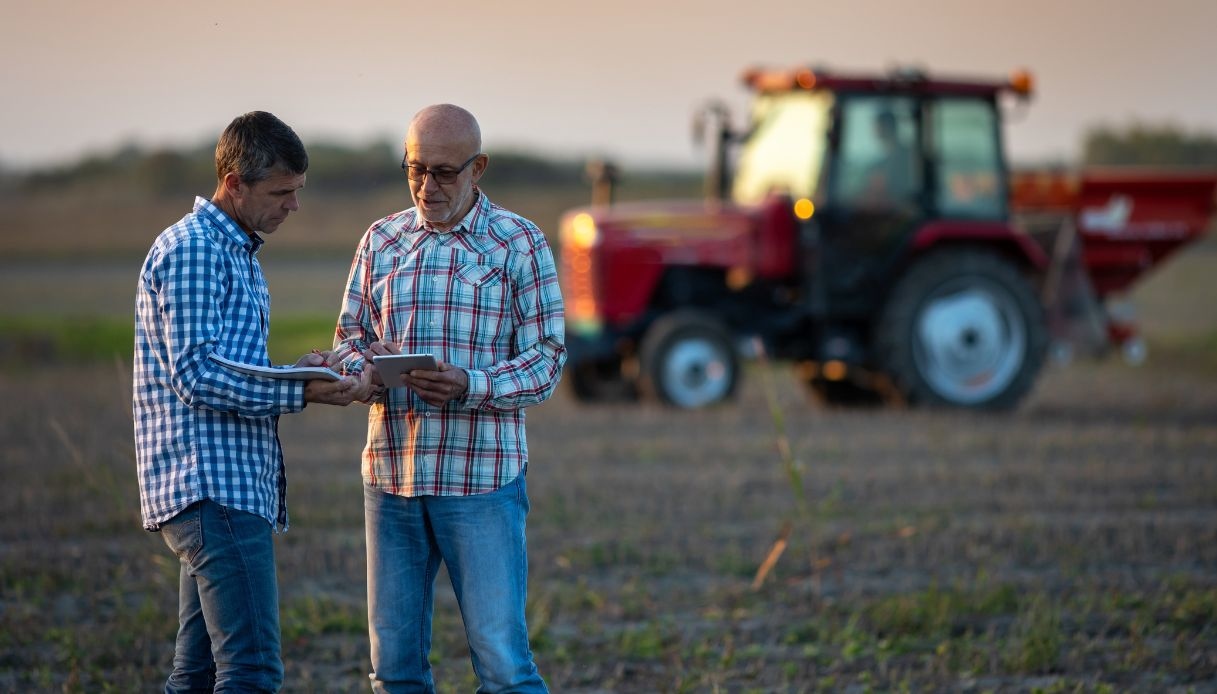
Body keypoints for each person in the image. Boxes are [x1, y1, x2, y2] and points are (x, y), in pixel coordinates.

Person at [133, 110, 375, 692]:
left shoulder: (233, 250)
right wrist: (299, 390)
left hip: (223, 487)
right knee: (252, 672)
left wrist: (298, 372)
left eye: (298, 190)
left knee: (196, 676)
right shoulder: (196, 250)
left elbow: (226, 366)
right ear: (234, 183)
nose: (294, 205)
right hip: (212, 487)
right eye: (281, 192)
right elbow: (196, 374)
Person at [330, 103, 566, 693]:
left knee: (504, 668)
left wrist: (470, 384)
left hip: (481, 480)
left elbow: (547, 359)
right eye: (415, 169)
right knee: (394, 671)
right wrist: (365, 369)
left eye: (443, 172)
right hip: (392, 479)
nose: (426, 186)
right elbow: (347, 342)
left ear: (478, 168)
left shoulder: (519, 243)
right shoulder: (381, 240)